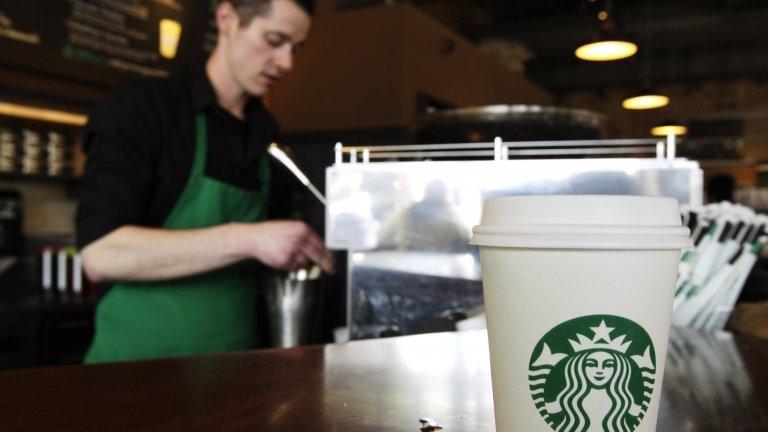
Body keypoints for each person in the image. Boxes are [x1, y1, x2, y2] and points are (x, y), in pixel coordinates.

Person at [77, 0, 333, 364]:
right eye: (274, 40)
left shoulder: (268, 137)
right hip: (133, 377)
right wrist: (249, 238)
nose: (287, 63)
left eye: (296, 48)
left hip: (236, 379)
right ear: (227, 19)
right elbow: (101, 254)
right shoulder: (141, 109)